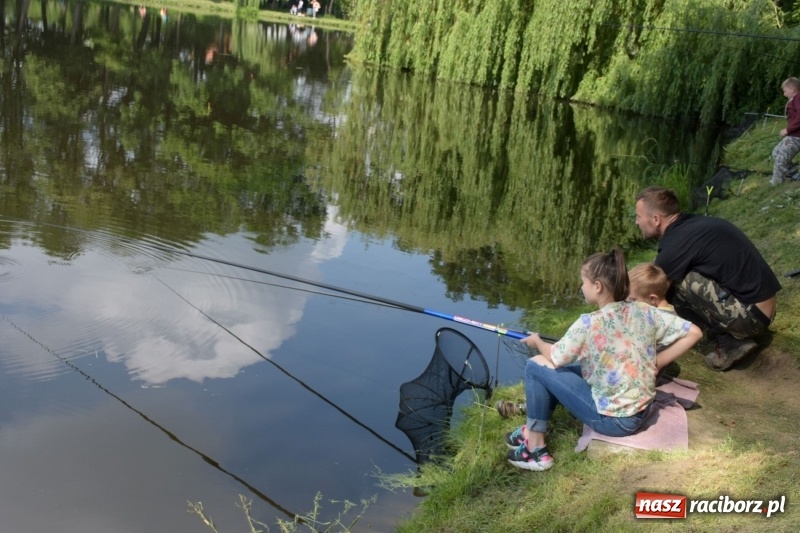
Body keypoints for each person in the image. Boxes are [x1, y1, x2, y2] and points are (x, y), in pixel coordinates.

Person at [505, 248, 702, 471]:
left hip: (615, 422)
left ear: (597, 286)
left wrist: (538, 342)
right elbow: (695, 332)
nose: (581, 287)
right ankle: (532, 431)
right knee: (568, 369)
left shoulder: (589, 323)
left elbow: (555, 357)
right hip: (643, 409)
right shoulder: (644, 310)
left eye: (583, 282)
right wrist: (658, 361)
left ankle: (535, 450)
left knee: (536, 366)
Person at [634, 186, 781, 370]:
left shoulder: (677, 243)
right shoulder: (690, 226)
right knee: (669, 274)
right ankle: (724, 334)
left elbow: (647, 288)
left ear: (656, 219)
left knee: (674, 283)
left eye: (638, 217)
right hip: (761, 308)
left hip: (751, 318)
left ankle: (729, 343)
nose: (636, 222)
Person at [771, 77, 800, 186]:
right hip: (793, 135)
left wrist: (788, 130)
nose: (784, 94)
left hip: (797, 136)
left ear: (792, 89)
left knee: (781, 158)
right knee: (775, 152)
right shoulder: (795, 99)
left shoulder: (798, 98)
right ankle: (793, 173)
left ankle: (776, 183)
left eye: (785, 90)